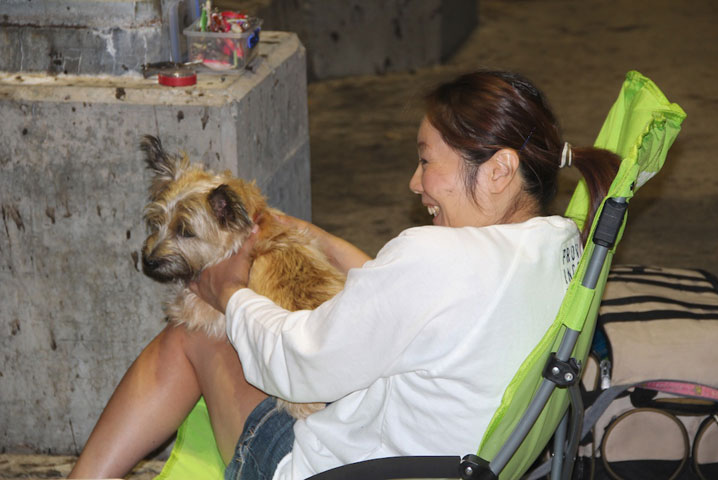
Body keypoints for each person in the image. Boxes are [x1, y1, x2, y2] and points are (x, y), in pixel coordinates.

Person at [68, 70, 619, 480]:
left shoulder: (436, 258)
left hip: (336, 470)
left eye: (427, 161)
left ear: (498, 169)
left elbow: (301, 367)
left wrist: (228, 291)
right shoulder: (563, 248)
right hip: (459, 462)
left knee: (197, 331)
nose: (414, 182)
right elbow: (417, 303)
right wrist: (315, 237)